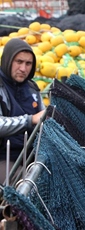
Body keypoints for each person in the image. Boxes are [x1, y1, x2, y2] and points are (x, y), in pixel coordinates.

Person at [0, 38, 45, 184]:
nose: (23, 69)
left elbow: (44, 116)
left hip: (30, 156)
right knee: (27, 187)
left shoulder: (32, 88)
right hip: (3, 157)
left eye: (28, 64)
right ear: (7, 60)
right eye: (19, 62)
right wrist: (30, 120)